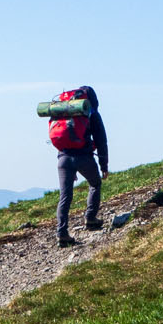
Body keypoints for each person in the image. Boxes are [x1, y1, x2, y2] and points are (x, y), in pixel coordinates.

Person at [52, 85, 108, 248]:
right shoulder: (91, 113)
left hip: (63, 159)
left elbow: (61, 138)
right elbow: (101, 141)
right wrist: (103, 164)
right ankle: (90, 218)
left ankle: (62, 233)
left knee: (65, 196)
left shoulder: (63, 112)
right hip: (83, 157)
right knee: (95, 184)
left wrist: (68, 163)